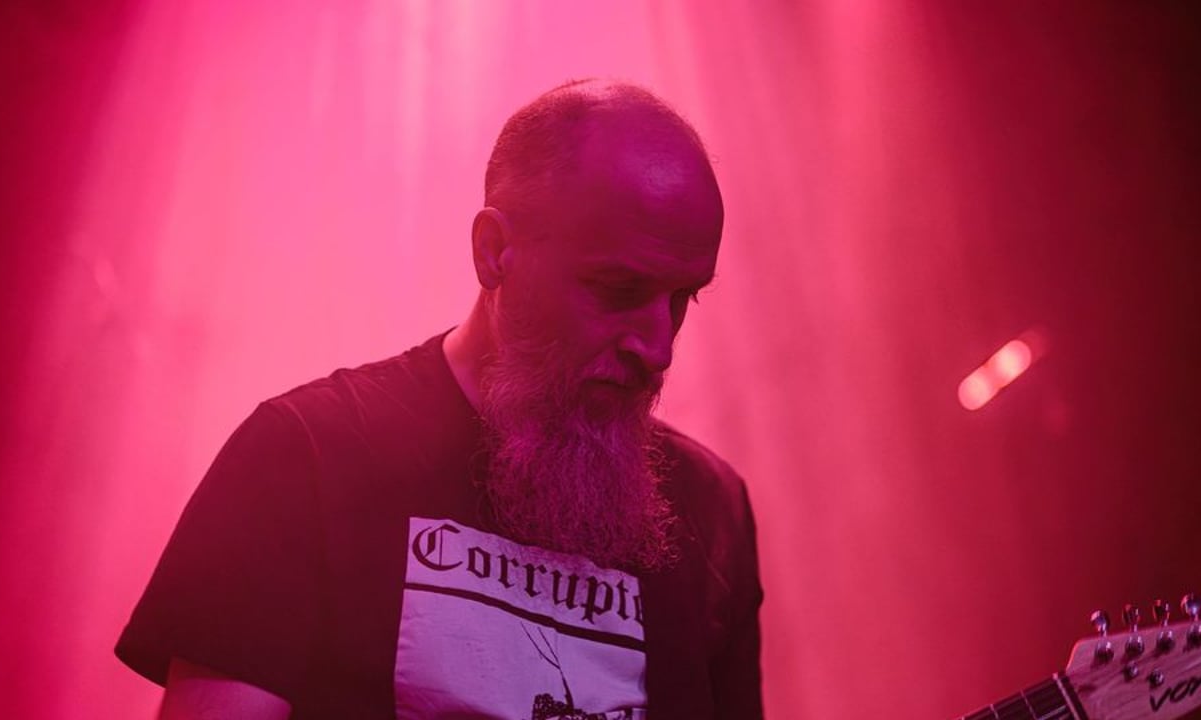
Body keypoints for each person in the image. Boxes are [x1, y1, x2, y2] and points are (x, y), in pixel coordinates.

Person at [116, 78, 763, 720]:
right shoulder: (302, 457)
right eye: (619, 289)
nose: (658, 347)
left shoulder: (711, 508)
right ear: (494, 252)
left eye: (682, 298)